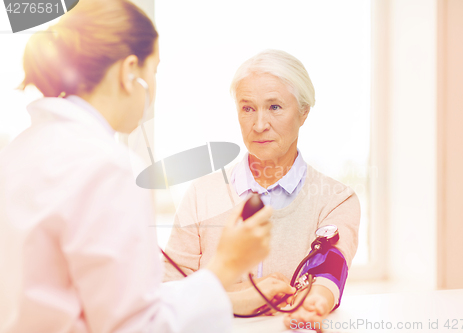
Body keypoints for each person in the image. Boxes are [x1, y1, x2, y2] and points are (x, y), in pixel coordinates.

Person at [0, 1, 281, 332]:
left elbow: (108, 297)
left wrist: (232, 294)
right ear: (130, 70)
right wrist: (227, 265)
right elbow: (136, 326)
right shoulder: (107, 167)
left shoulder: (19, 151)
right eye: (155, 70)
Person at [163, 50, 361, 327]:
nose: (259, 125)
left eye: (275, 107)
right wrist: (240, 299)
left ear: (303, 112)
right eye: (247, 108)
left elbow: (329, 270)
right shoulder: (201, 195)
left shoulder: (337, 200)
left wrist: (315, 304)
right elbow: (168, 291)